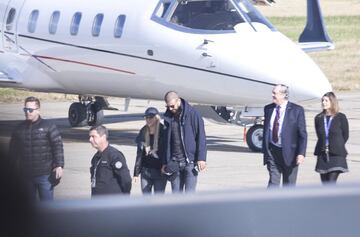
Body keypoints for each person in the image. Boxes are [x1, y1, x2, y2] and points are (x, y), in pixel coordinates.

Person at [8, 96, 64, 201]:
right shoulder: (19, 129)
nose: (27, 112)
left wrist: (59, 165)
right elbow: (13, 152)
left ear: (38, 110)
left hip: (45, 176)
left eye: (30, 110)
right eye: (25, 109)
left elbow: (57, 146)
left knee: (47, 209)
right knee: (28, 210)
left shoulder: (49, 126)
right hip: (25, 176)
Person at [262, 84, 307, 187]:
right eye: (272, 92)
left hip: (290, 154)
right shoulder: (268, 109)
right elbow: (266, 130)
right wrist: (266, 150)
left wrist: (301, 153)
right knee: (273, 184)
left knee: (289, 186)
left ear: (283, 95)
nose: (272, 95)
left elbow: (302, 134)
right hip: (273, 152)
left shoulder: (297, 110)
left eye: (275, 93)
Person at [162, 91, 207, 193]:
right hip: (174, 163)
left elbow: (201, 137)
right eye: (168, 106)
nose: (170, 109)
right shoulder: (168, 117)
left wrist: (201, 158)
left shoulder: (193, 114)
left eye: (172, 106)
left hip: (190, 163)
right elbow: (166, 142)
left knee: (189, 197)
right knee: (176, 198)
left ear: (178, 101)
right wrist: (165, 162)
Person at [314, 92, 349, 184]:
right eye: (322, 100)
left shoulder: (341, 117)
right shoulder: (318, 118)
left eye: (326, 100)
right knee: (325, 184)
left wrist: (337, 144)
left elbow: (345, 135)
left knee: (331, 182)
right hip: (323, 155)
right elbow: (320, 135)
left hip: (336, 155)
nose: (323, 103)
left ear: (332, 102)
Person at [89, 125, 131, 196]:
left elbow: (126, 180)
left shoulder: (114, 155)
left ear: (103, 137)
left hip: (112, 202)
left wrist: (125, 197)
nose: (90, 139)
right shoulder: (96, 157)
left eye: (93, 136)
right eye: (90, 137)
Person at [133, 107, 167, 194]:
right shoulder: (143, 131)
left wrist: (165, 165)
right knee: (145, 199)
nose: (148, 119)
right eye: (146, 117)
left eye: (151, 117)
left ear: (157, 118)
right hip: (146, 172)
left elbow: (167, 151)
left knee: (158, 200)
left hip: (160, 172)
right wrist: (136, 173)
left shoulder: (163, 132)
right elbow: (139, 154)